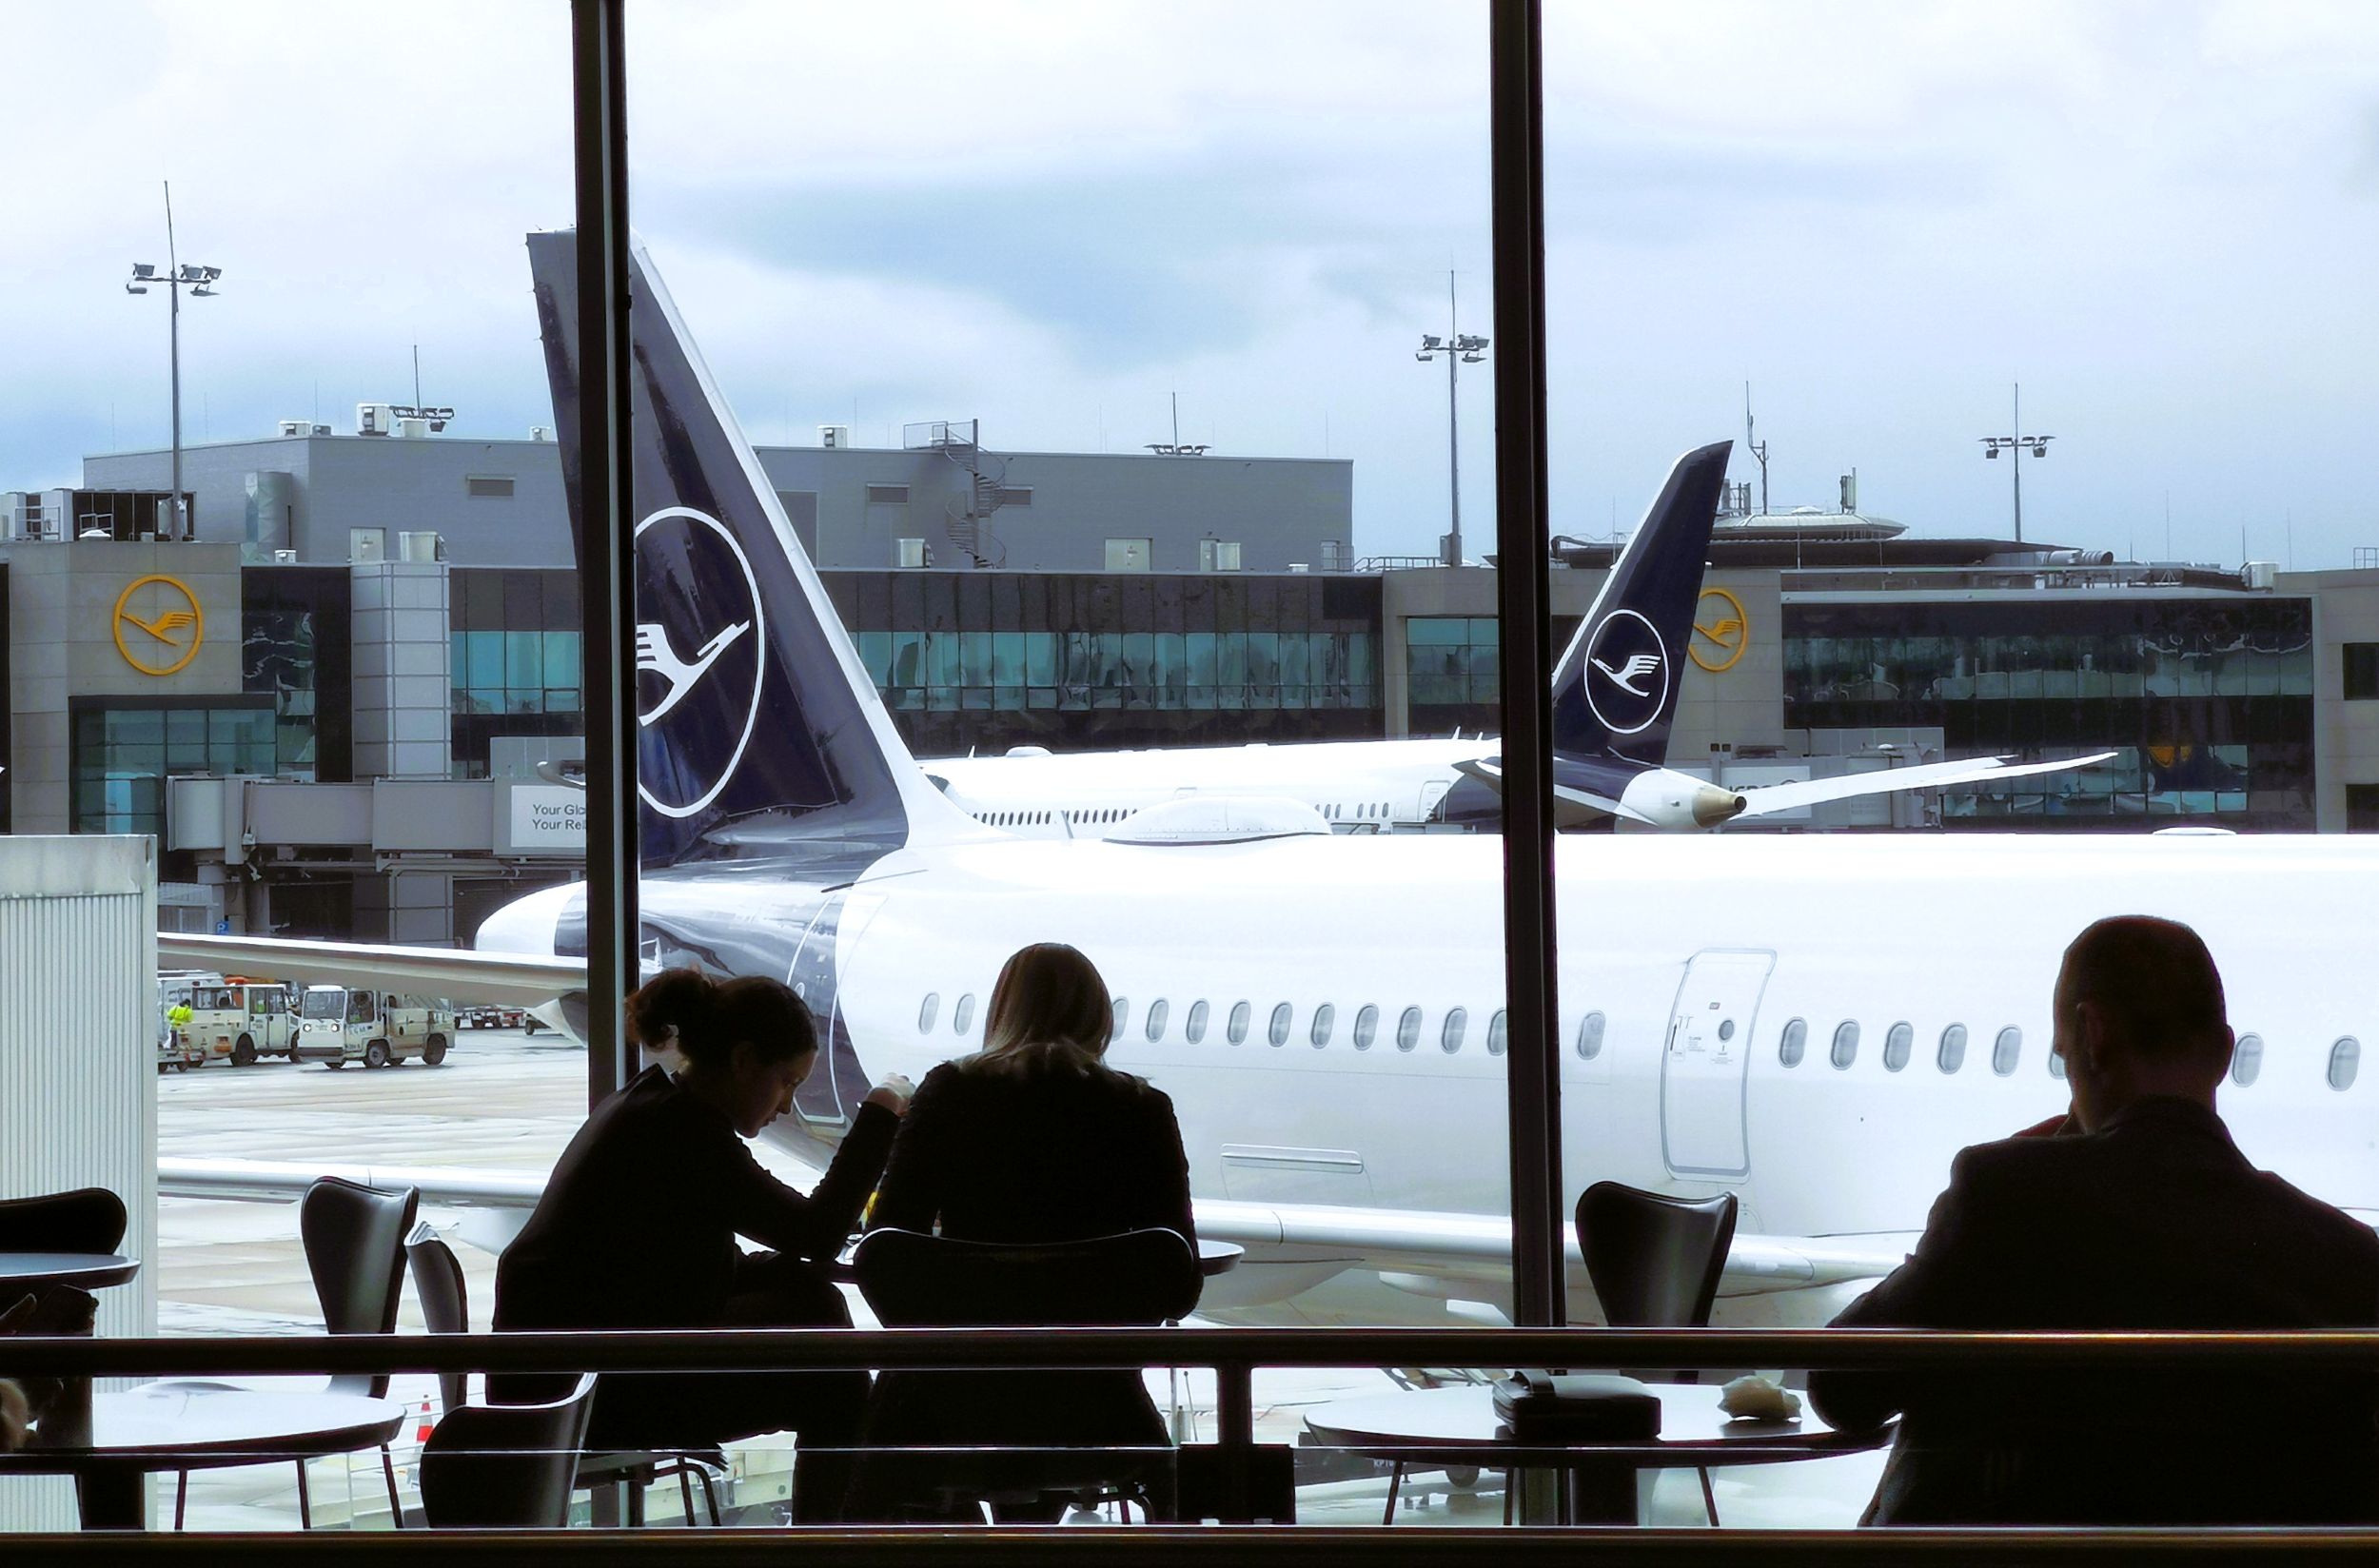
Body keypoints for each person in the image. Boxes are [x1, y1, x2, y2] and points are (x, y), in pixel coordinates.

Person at [1810, 915, 2379, 1526]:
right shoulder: (2346, 1256)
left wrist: (2016, 1171)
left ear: (2092, 1033)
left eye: (2062, 1052)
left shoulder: (2005, 1197)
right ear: (2222, 1053)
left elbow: (1841, 1388)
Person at [494, 968, 910, 1523]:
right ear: (742, 1061)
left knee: (818, 1316)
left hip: (568, 1375)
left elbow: (707, 1262)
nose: (786, 1107)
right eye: (787, 1082)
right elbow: (816, 1233)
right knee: (830, 1365)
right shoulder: (684, 1134)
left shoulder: (650, 1109)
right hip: (592, 1396)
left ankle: (835, 1536)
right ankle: (835, 1538)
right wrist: (882, 1113)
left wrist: (798, 1278)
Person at [856, 942, 1196, 1520]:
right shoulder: (1139, 1107)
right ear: (1099, 1017)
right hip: (1097, 1397)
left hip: (952, 1393)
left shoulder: (950, 1091)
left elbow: (888, 1243)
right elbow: (1179, 1281)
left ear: (1000, 1010)